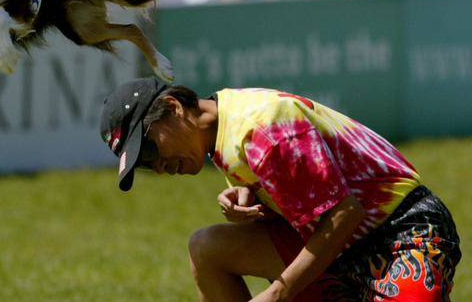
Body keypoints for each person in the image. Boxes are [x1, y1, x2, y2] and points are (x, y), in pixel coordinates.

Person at [99, 77, 461, 302]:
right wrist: (256, 200)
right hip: (341, 245)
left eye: (149, 150)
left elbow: (345, 213)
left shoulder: (260, 127)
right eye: (144, 165)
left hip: (404, 233)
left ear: (174, 108)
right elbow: (307, 200)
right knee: (206, 248)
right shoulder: (221, 129)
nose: (158, 166)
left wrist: (279, 292)